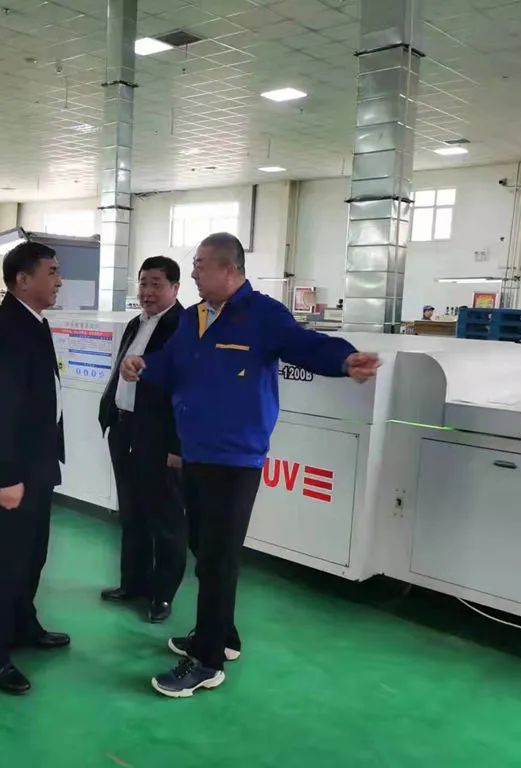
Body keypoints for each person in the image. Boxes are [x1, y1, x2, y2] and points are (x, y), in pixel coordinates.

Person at [121, 233, 380, 698]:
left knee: (217, 560)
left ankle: (207, 662)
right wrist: (144, 365)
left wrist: (345, 360)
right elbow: (174, 363)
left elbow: (305, 344)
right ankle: (222, 635)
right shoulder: (195, 317)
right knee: (205, 549)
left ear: (229, 269)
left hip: (234, 458)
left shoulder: (262, 315)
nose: (193, 272)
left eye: (200, 265)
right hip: (196, 452)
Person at [0, 241, 69, 695]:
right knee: (5, 562)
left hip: (37, 464)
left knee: (32, 554)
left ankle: (23, 624)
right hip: (14, 471)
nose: (59, 280)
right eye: (52, 272)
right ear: (23, 280)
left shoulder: (33, 322)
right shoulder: (7, 328)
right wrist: (6, 477)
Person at [98, 256, 185, 623]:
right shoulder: (136, 323)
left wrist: (177, 446)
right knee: (131, 511)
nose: (147, 292)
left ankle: (162, 595)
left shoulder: (183, 327)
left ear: (175, 288)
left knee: (165, 517)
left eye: (156, 284)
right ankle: (132, 582)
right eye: (143, 283)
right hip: (124, 427)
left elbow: (185, 390)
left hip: (159, 435)